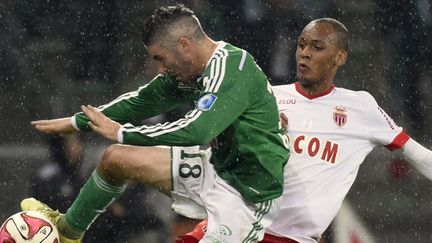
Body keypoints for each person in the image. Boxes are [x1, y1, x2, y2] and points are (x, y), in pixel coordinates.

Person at [20, 4, 289, 243]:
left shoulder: (232, 68)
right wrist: (78, 122)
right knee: (115, 158)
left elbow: (196, 129)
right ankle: (67, 232)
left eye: (161, 58)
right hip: (214, 169)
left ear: (184, 44)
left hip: (248, 195)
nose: (160, 69)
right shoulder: (189, 71)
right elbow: (142, 101)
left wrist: (123, 132)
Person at [179, 18, 432, 243]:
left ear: (340, 57)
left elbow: (419, 156)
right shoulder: (267, 98)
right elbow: (213, 137)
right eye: (301, 45)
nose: (305, 53)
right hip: (236, 225)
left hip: (291, 238)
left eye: (317, 47)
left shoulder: (361, 107)